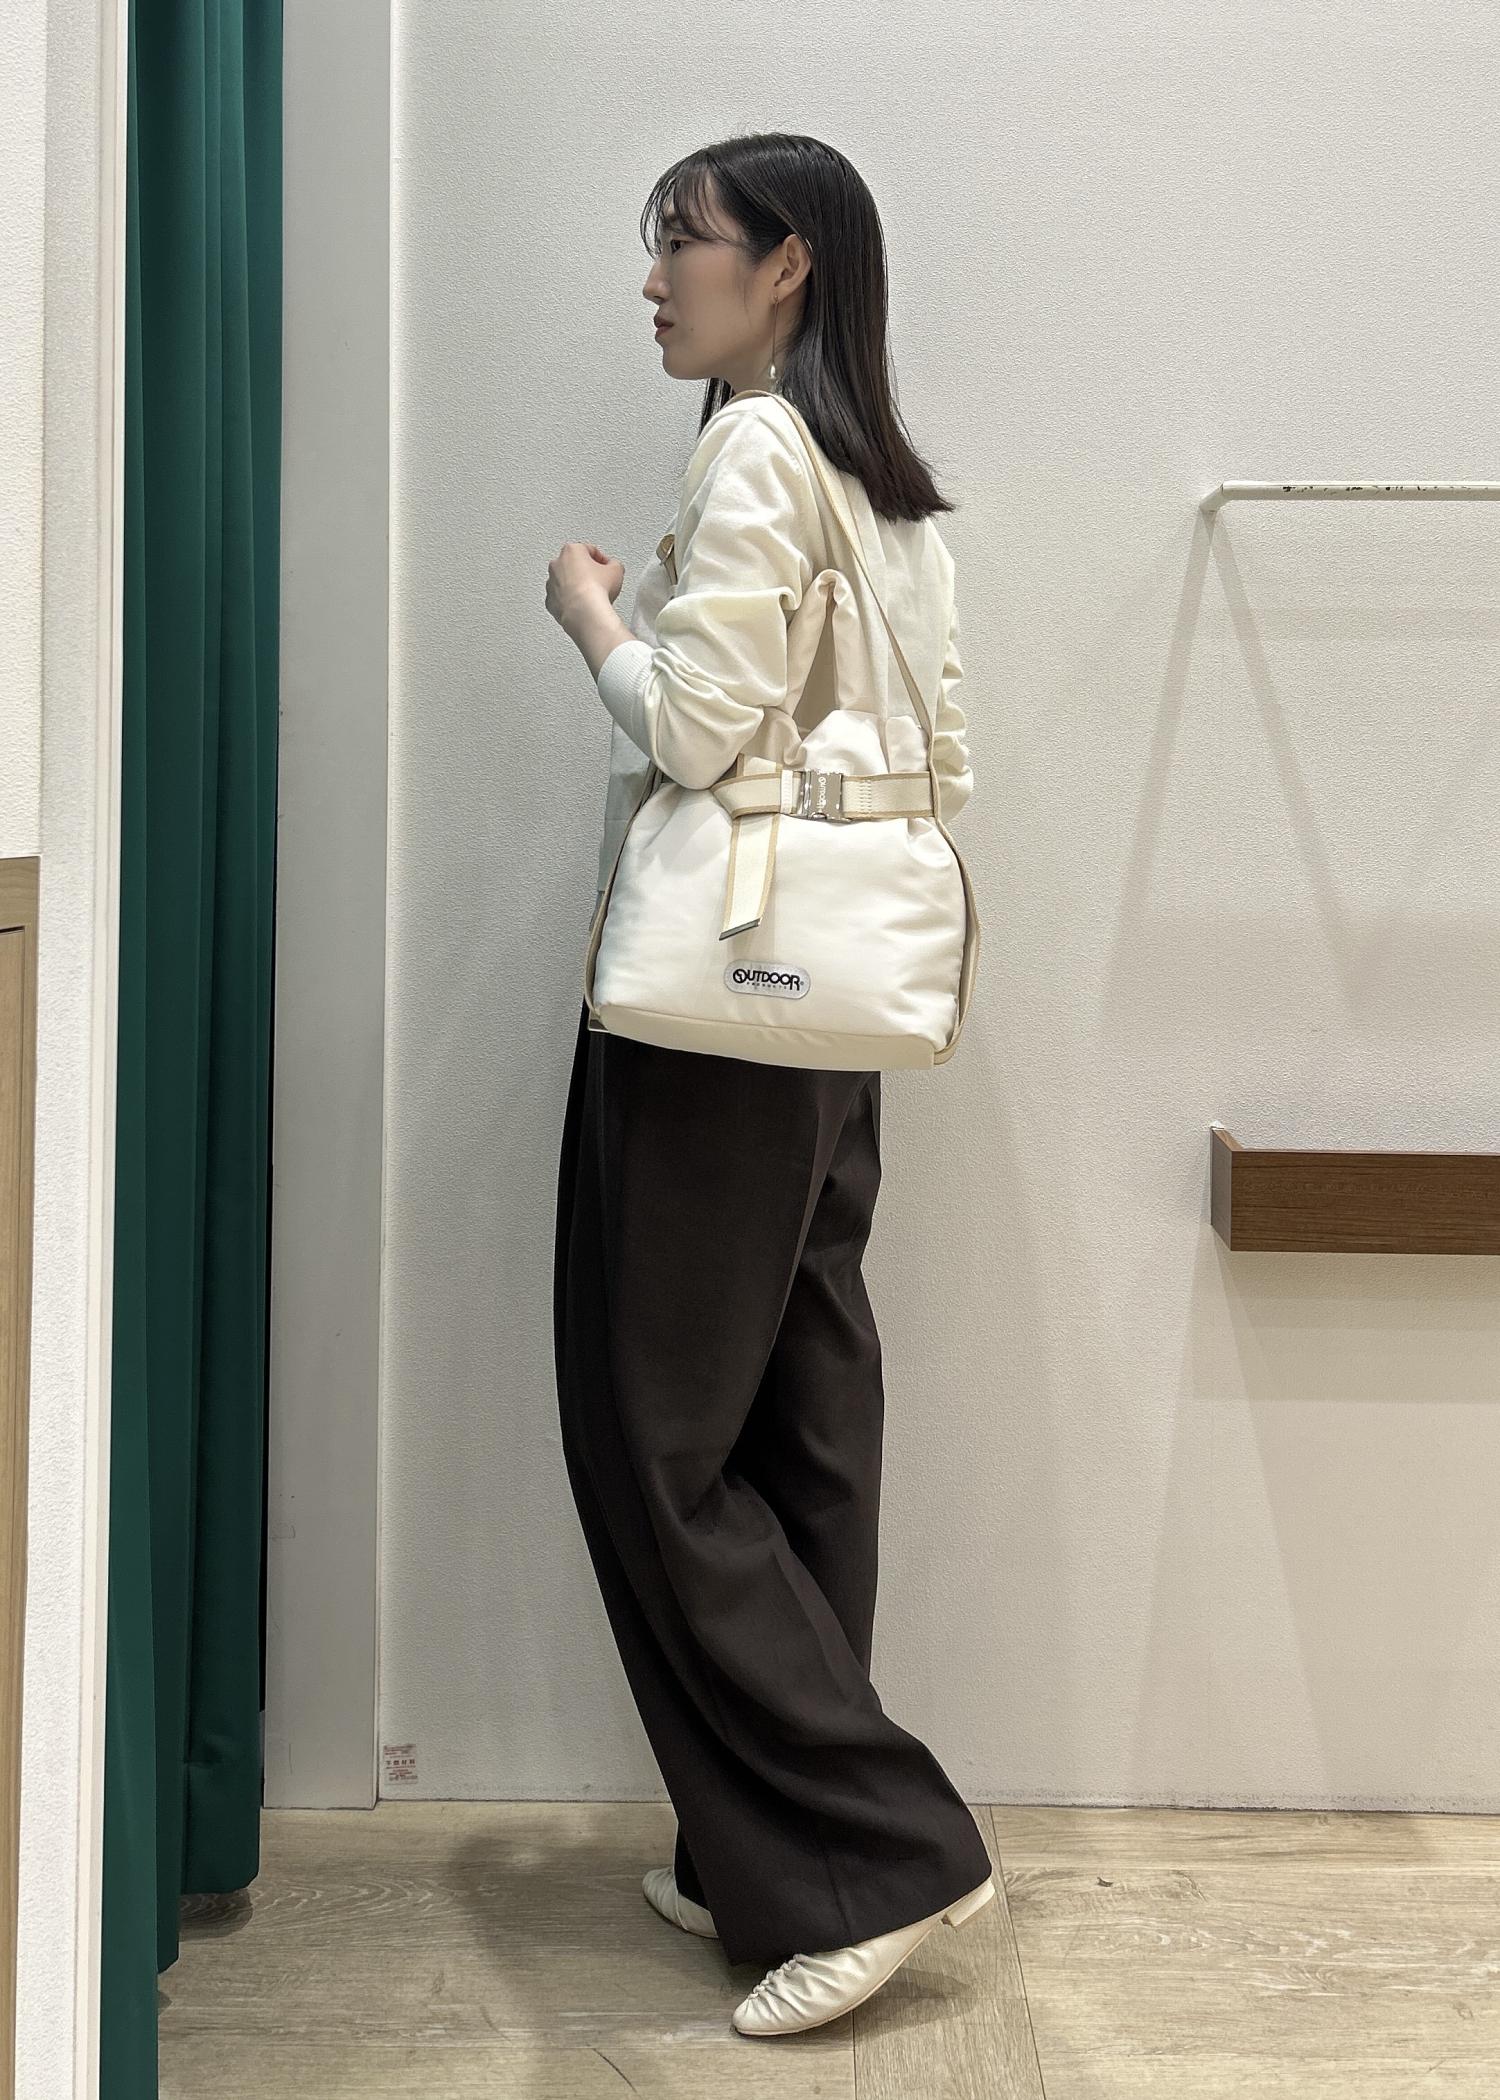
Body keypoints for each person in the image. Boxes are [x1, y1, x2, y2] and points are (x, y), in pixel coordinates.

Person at [546, 132, 993, 2040]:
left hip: (719, 1012)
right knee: (804, 1416)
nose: (656, 281)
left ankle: (879, 1852)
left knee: (650, 1434)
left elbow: (695, 730)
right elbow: (931, 744)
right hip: (830, 1014)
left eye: (687, 243)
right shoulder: (884, 479)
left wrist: (593, 612)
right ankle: (768, 1856)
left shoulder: (750, 451)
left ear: (786, 263)